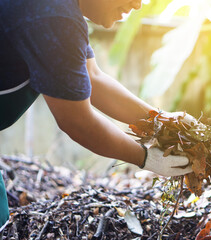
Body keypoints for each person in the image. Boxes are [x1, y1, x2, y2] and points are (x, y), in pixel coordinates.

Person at [0, 0, 193, 229]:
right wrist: (146, 158)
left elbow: (93, 77)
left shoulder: (62, 12)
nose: (138, 4)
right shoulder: (51, 15)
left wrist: (159, 121)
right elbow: (77, 121)